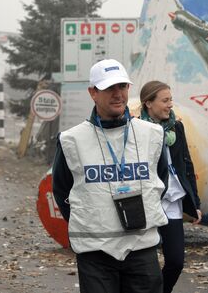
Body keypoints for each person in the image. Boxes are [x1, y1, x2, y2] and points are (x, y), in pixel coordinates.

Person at [52, 58, 169, 293]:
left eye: (122, 87)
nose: (118, 94)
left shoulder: (153, 134)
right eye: (109, 88)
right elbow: (62, 190)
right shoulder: (71, 140)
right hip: (96, 254)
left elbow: (160, 181)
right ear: (93, 92)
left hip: (142, 249)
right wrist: (90, 219)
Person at [140, 80, 201, 293]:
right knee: (143, 265)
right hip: (150, 203)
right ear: (148, 103)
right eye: (165, 100)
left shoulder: (176, 126)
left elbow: (186, 163)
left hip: (173, 202)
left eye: (170, 100)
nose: (170, 105)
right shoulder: (138, 129)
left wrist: (196, 202)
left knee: (176, 262)